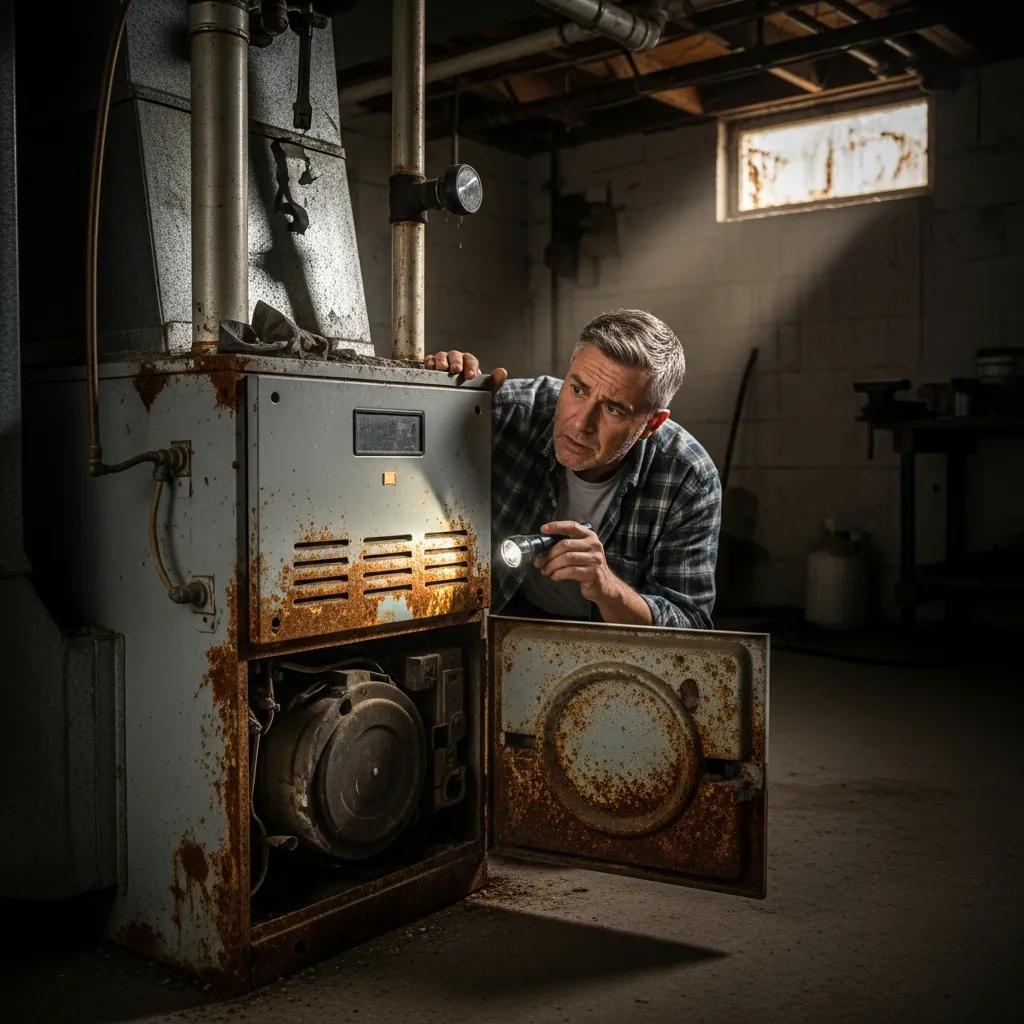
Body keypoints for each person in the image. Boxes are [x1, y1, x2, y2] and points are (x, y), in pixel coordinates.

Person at [425, 309, 721, 629]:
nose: (581, 423)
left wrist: (607, 588)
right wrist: (435, 389)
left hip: (607, 644)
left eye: (612, 408)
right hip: (500, 619)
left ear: (652, 423)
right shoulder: (509, 412)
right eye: (578, 390)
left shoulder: (688, 477)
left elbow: (690, 625)